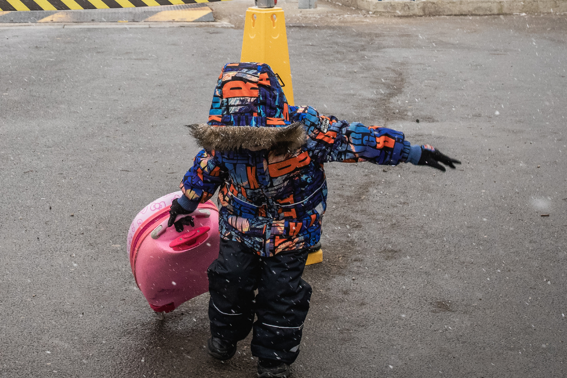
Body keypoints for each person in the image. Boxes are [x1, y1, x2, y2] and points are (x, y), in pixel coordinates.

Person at [167, 62, 460, 378]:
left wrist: (411, 152)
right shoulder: (223, 140)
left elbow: (353, 139)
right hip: (239, 225)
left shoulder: (307, 130)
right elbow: (206, 170)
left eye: (260, 136)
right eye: (242, 138)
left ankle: (274, 359)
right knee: (229, 282)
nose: (251, 145)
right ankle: (225, 334)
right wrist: (185, 203)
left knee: (281, 295)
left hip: (293, 229)